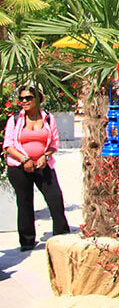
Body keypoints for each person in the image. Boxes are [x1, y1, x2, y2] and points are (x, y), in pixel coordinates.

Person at [2, 84, 70, 251]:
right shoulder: (15, 119)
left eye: (28, 98)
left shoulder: (48, 118)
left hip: (42, 164)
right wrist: (24, 159)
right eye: (21, 98)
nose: (24, 101)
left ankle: (61, 236)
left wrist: (46, 156)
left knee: (55, 197)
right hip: (19, 166)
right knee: (24, 201)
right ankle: (27, 241)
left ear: (38, 99)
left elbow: (54, 143)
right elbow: (8, 145)